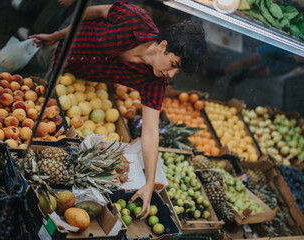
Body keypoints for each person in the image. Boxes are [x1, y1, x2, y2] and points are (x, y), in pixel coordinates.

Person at [30, 1, 207, 219]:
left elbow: (151, 132)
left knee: (35, 98)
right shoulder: (133, 19)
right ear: (163, 46)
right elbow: (91, 11)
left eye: (177, 71)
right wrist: (57, 35)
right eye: (173, 64)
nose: (171, 74)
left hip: (73, 80)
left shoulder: (155, 81)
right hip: (63, 47)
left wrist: (149, 183)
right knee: (28, 70)